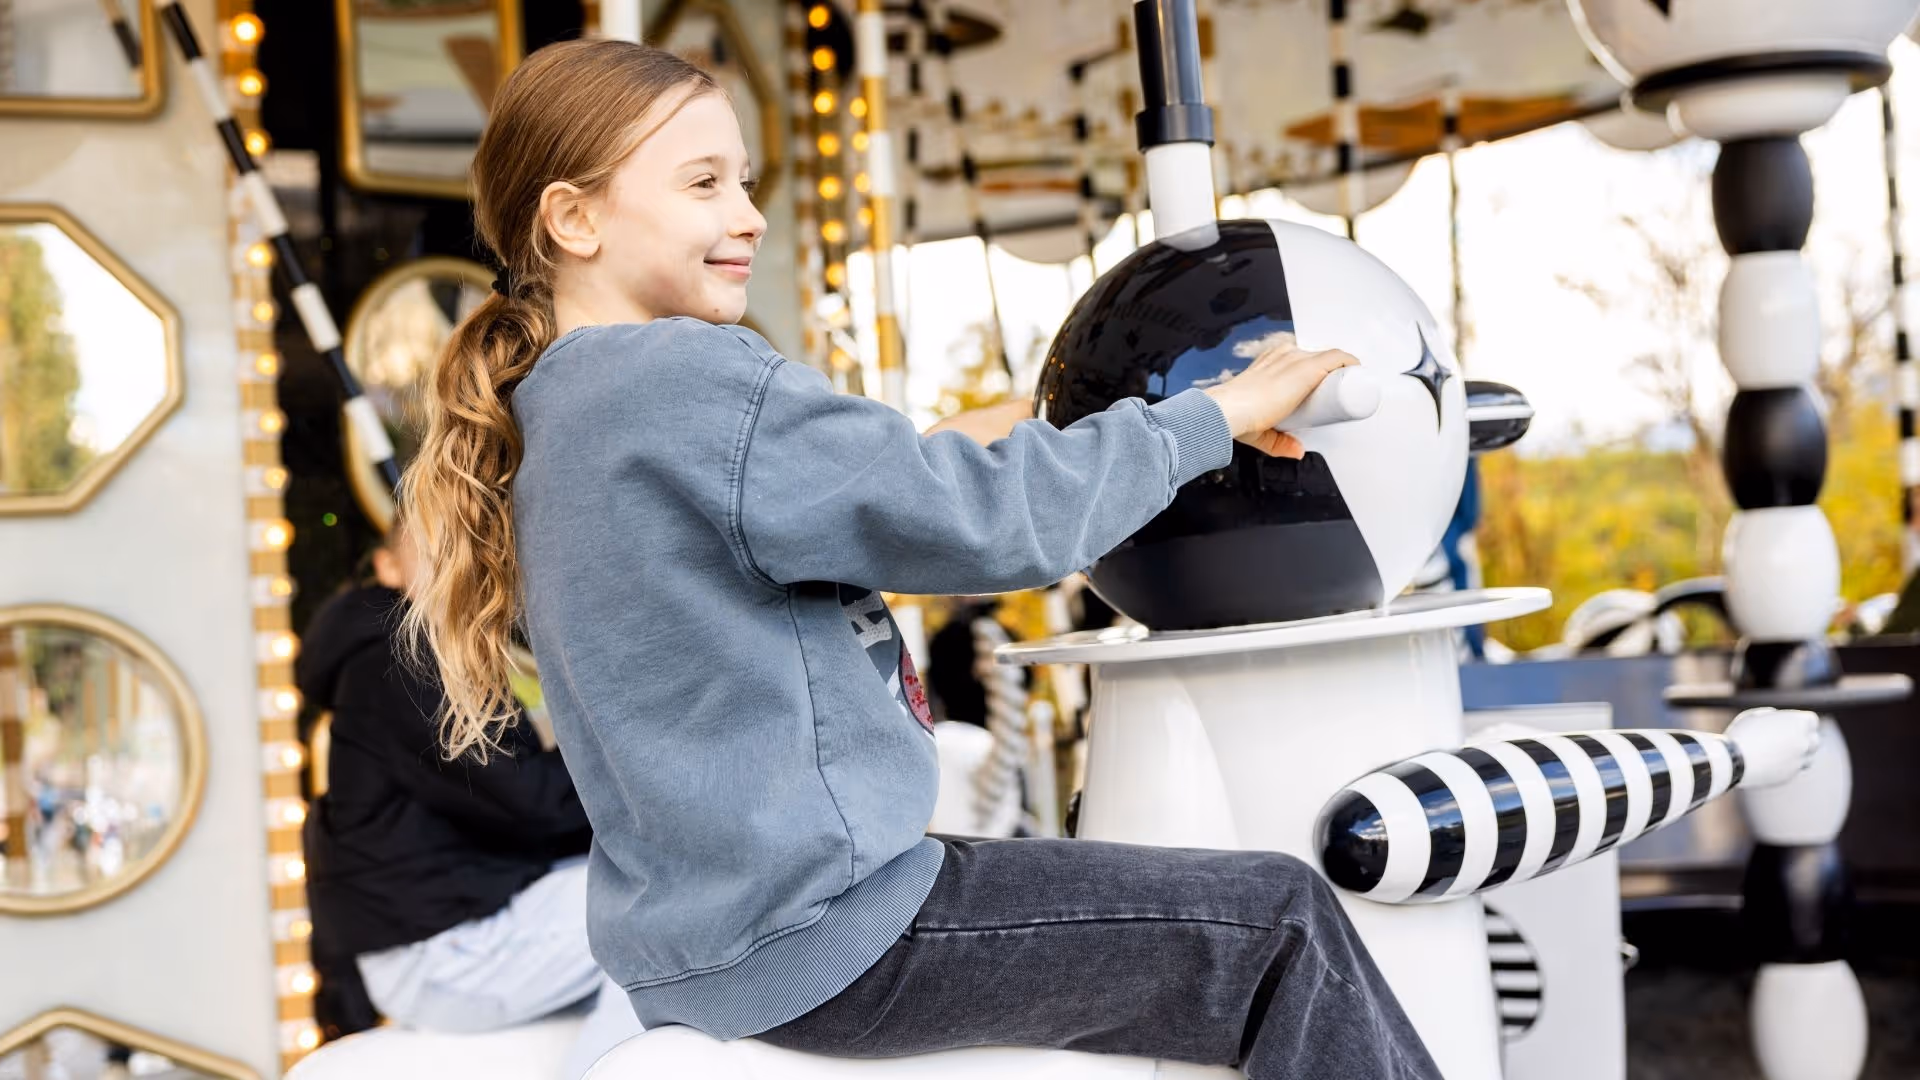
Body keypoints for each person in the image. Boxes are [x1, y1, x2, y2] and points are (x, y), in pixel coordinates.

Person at [399, 38, 1440, 1079]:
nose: (748, 215)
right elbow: (993, 528)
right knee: (1281, 923)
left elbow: (802, 526)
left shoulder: (553, 417)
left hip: (703, 952)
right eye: (703, 183)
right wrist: (1213, 415)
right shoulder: (689, 379)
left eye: (746, 182)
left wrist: (997, 440)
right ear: (573, 218)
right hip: (837, 938)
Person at [296, 517, 641, 1077]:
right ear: (387, 568)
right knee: (651, 913)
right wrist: (646, 776)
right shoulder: (399, 656)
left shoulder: (407, 656)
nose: (460, 568)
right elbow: (533, 804)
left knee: (632, 887)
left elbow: (510, 795)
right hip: (438, 950)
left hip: (442, 928)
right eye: (436, 554)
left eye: (472, 552)